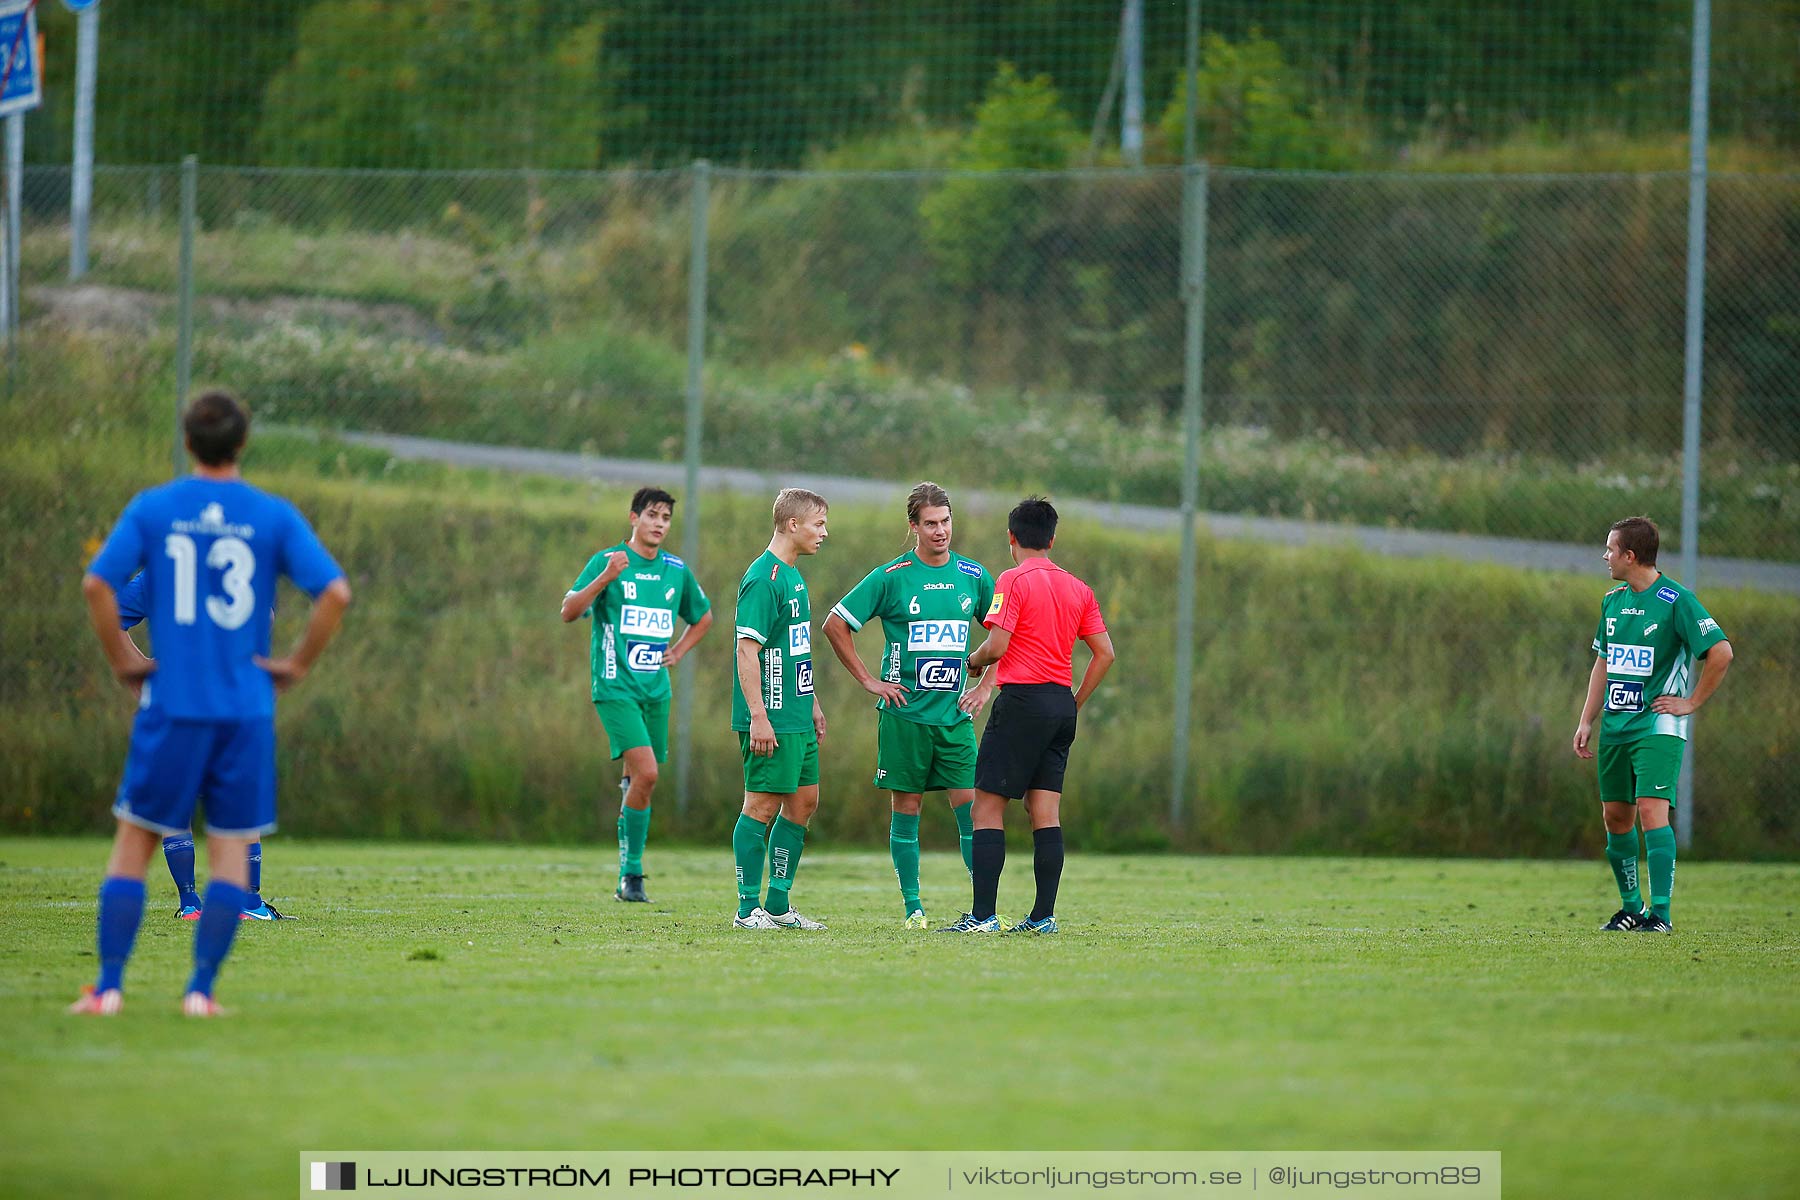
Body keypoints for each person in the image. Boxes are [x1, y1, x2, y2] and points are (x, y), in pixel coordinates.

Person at [70, 391, 351, 1017]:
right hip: (244, 710)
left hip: (172, 704)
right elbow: (333, 592)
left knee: (133, 844)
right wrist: (297, 664)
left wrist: (125, 662)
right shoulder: (269, 515)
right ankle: (200, 991)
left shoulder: (156, 509)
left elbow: (97, 585)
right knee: (230, 848)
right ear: (243, 444)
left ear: (189, 443)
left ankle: (108, 987)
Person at [822, 482, 995, 928]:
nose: (940, 531)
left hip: (954, 717)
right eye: (931, 524)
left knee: (972, 808)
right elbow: (836, 624)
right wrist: (869, 680)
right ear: (914, 526)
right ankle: (913, 907)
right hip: (904, 717)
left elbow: (1004, 634)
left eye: (946, 522)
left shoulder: (974, 576)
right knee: (907, 809)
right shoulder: (892, 575)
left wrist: (985, 686)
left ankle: (983, 909)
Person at [944, 497, 1113, 935]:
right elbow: (1104, 654)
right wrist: (1073, 702)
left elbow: (998, 646)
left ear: (1011, 538)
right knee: (1045, 811)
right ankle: (1042, 918)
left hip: (1022, 702)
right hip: (1059, 704)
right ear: (1052, 539)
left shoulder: (1013, 579)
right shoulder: (1079, 588)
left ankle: (982, 917)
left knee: (986, 807)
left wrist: (974, 660)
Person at [1574, 516, 1732, 933]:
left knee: (1650, 811)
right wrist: (1587, 719)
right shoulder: (1613, 601)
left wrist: (1691, 702)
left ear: (1631, 555)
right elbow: (1603, 664)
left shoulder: (1676, 599)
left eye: (1610, 549)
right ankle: (1631, 908)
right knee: (1615, 817)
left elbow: (1721, 652)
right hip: (1616, 727)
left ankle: (1660, 914)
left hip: (1658, 727)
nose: (1605, 556)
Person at [561, 487, 713, 903]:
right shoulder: (610, 562)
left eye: (666, 517)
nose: (659, 524)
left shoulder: (675, 570)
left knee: (637, 779)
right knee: (647, 774)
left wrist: (678, 651)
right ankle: (633, 875)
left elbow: (703, 617)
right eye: (652, 515)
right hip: (614, 687)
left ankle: (627, 876)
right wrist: (605, 577)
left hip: (654, 691)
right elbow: (570, 611)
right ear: (634, 518)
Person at [113, 572, 287, 921]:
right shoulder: (238, 563)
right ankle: (248, 903)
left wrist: (140, 670)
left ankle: (190, 902)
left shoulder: (160, 569)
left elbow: (112, 616)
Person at [729, 488, 830, 931]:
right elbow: (746, 650)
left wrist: (812, 704)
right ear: (793, 524)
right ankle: (747, 908)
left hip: (796, 713)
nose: (824, 532)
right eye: (818, 524)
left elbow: (796, 649)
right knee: (762, 805)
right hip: (769, 715)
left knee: (805, 802)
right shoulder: (763, 578)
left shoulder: (794, 576)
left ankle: (777, 905)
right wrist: (758, 715)